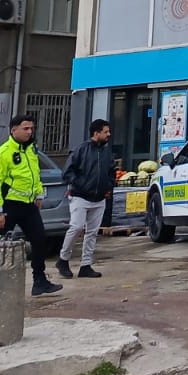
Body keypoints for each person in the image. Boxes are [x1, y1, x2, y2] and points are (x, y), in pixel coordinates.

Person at [0, 114, 62, 296]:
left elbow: (35, 174)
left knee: (39, 240)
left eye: (31, 128)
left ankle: (40, 281)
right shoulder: (2, 154)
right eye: (25, 128)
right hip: (9, 206)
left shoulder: (31, 150)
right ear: (14, 130)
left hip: (28, 206)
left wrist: (39, 194)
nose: (30, 132)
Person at [57, 119, 115, 279]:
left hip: (99, 198)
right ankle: (63, 259)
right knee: (76, 227)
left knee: (92, 233)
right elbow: (67, 172)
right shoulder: (81, 150)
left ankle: (86, 265)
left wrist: (108, 186)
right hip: (80, 197)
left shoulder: (106, 153)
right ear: (96, 133)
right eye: (106, 131)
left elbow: (111, 171)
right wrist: (81, 185)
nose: (109, 134)